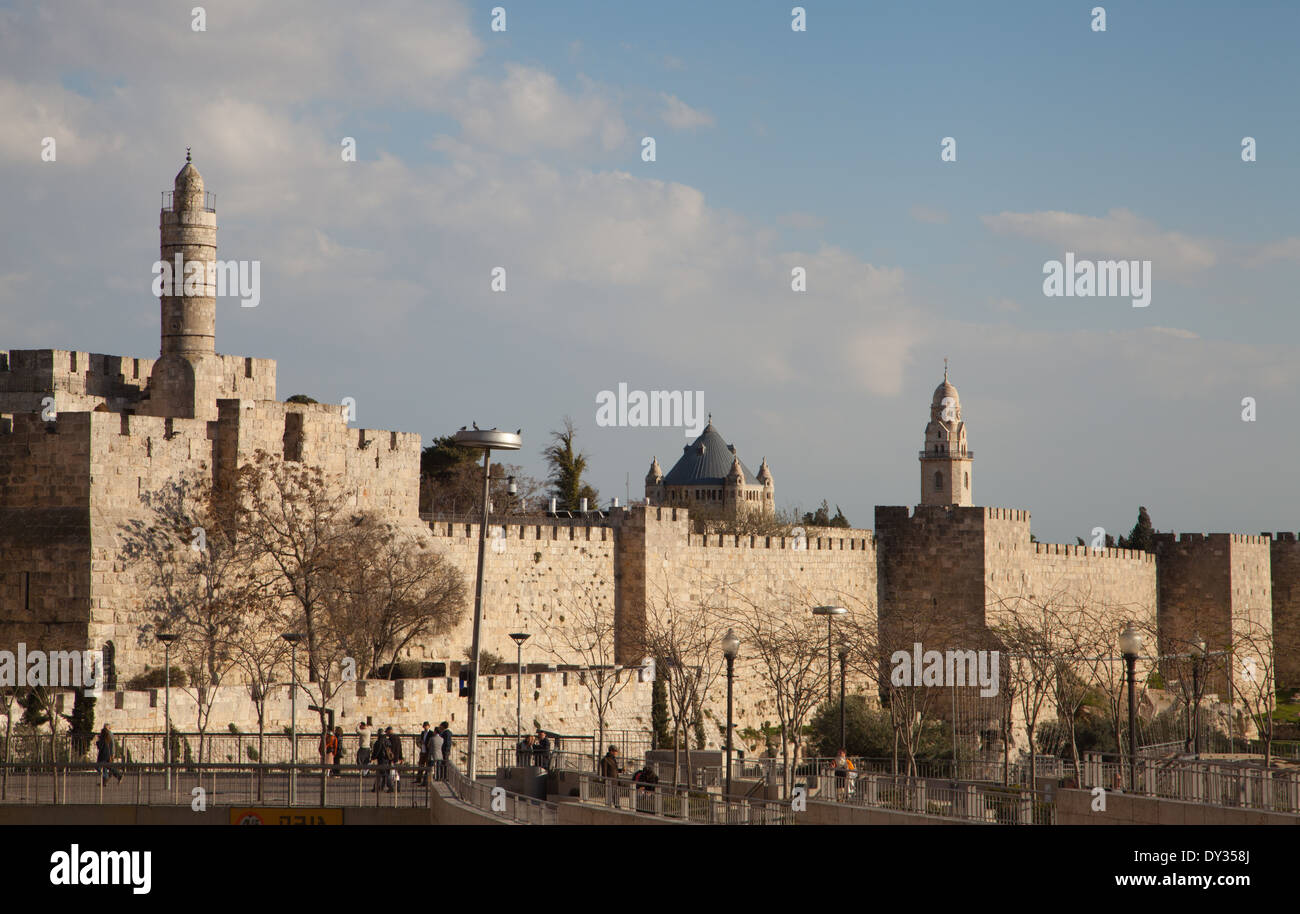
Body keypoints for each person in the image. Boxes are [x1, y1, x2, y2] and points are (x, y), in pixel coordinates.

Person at [385, 726, 403, 792]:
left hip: (392, 758)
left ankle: (391, 788)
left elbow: (391, 750)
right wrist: (401, 757)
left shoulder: (390, 739)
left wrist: (391, 758)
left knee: (392, 773)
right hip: (397, 757)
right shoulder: (397, 738)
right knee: (396, 773)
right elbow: (400, 748)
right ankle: (398, 787)